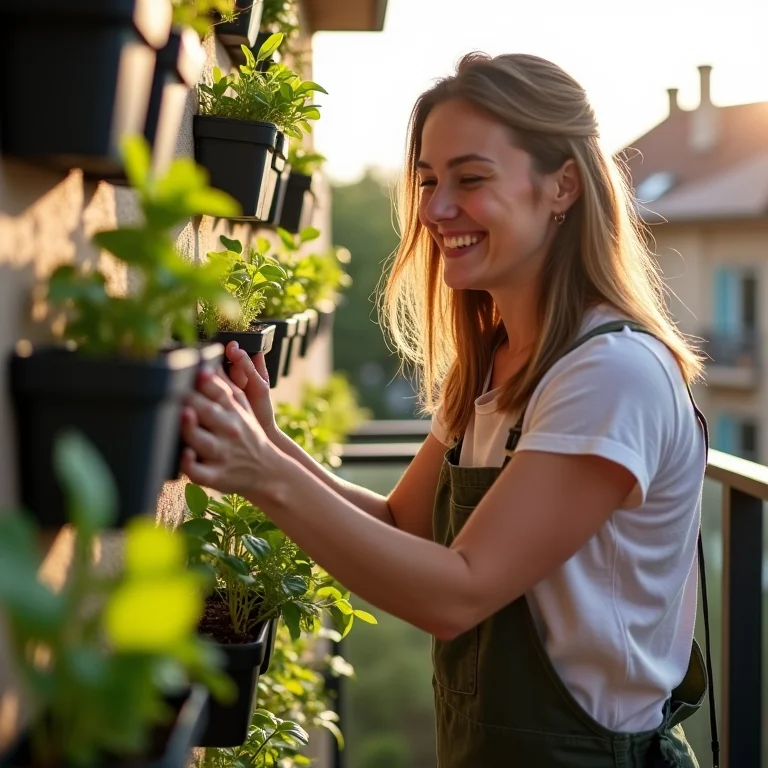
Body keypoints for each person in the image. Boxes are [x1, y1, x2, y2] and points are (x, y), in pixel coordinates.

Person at [180, 52, 711, 767]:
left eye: (471, 178)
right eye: (428, 181)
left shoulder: (610, 374)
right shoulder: (497, 359)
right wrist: (270, 447)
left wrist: (265, 477)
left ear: (562, 186)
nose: (433, 209)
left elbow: (458, 592)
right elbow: (406, 526)